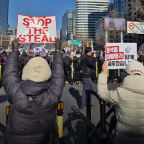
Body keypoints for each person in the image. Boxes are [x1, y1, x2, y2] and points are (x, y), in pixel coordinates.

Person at [3, 38, 64, 144]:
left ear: (26, 71)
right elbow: (59, 76)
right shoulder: (52, 94)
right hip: (45, 140)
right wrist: (58, 51)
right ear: (47, 73)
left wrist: (15, 50)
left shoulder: (16, 93)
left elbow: (9, 73)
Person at [98, 61, 144, 144]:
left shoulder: (120, 92)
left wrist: (104, 73)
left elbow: (102, 93)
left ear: (125, 74)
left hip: (122, 138)